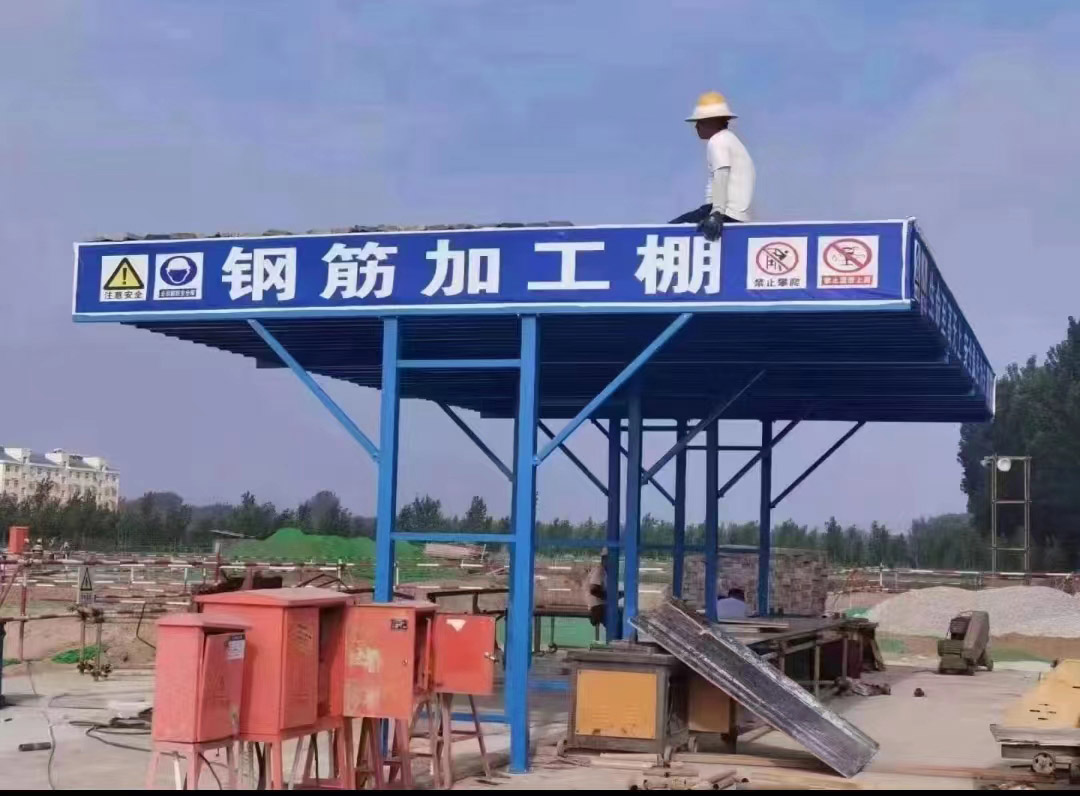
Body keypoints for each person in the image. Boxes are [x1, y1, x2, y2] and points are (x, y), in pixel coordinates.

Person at [671, 91, 755, 242]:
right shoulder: (731, 140)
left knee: (669, 231)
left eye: (701, 122)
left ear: (713, 121)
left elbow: (721, 175)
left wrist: (717, 213)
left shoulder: (718, 141)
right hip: (736, 214)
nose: (697, 126)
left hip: (725, 213)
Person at [585, 550, 609, 628]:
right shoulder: (600, 571)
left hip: (599, 607)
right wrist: (610, 598)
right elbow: (593, 590)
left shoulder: (603, 571)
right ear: (604, 559)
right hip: (598, 607)